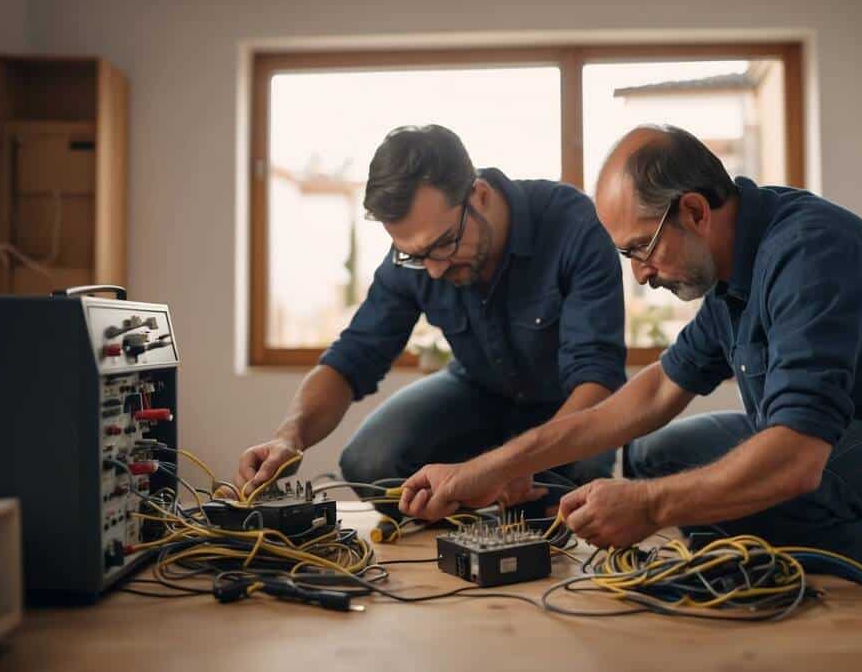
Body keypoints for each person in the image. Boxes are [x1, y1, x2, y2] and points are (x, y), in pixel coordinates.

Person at [398, 124, 862, 611]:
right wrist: (484, 469)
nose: (640, 274)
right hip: (818, 438)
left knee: (768, 480)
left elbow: (796, 459)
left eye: (639, 248)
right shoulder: (731, 269)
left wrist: (649, 507)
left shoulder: (809, 256)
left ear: (695, 211)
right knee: (658, 456)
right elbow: (653, 394)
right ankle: (778, 553)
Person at [232, 124, 627, 512]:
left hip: (568, 403)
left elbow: (598, 381)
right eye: (414, 256)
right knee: (369, 463)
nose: (434, 271)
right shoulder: (419, 258)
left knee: (576, 482)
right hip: (479, 388)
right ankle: (465, 531)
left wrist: (504, 466)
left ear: (480, 195)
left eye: (443, 245)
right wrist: (290, 437)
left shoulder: (575, 226)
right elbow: (352, 357)